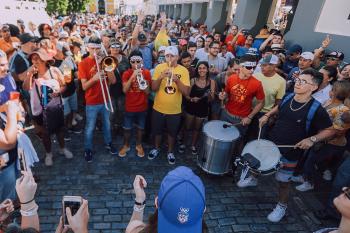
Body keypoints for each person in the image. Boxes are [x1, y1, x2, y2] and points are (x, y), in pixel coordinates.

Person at [255, 68, 335, 222]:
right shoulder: (288, 97)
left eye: (303, 82)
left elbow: (330, 131)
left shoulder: (316, 109)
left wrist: (311, 140)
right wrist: (267, 115)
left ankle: (281, 206)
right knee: (259, 163)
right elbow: (279, 107)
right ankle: (252, 177)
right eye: (298, 79)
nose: (298, 83)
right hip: (272, 142)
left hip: (291, 152)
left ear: (313, 87)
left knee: (283, 182)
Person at [296, 81, 350, 192]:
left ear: (335, 93)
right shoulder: (328, 102)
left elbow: (339, 132)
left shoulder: (343, 110)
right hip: (320, 139)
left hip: (331, 144)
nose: (329, 91)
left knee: (311, 161)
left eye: (332, 89)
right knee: (311, 160)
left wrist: (321, 140)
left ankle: (309, 183)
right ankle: (305, 177)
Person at [22, 48, 73, 166]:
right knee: (45, 133)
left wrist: (58, 92)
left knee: (60, 129)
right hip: (38, 109)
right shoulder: (32, 74)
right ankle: (49, 153)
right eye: (33, 59)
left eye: (37, 58)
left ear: (44, 60)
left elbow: (64, 85)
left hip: (54, 106)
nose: (34, 61)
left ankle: (62, 148)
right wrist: (29, 74)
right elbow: (25, 88)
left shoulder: (54, 71)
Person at [126, 166, 207, 233]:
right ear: (203, 210)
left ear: (157, 203)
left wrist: (140, 200)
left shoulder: (133, 229)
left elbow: (134, 224)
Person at [78, 36, 118, 162]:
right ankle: (88, 148)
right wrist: (94, 78)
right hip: (91, 102)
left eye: (97, 48)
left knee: (107, 125)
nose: (95, 51)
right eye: (92, 48)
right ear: (87, 48)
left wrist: (106, 66)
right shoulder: (83, 64)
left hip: (105, 99)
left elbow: (113, 81)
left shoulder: (105, 60)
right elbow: (84, 87)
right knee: (90, 127)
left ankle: (109, 143)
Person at [148, 46, 190, 164]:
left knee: (172, 132)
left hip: (174, 110)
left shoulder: (183, 70)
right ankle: (156, 148)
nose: (169, 58)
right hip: (158, 107)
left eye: (172, 56)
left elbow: (186, 92)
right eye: (167, 56)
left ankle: (170, 151)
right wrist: (161, 77)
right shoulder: (159, 67)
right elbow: (154, 88)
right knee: (157, 131)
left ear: (177, 57)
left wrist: (177, 80)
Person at [218, 55, 265, 139]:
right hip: (226, 114)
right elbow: (226, 94)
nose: (252, 70)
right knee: (222, 137)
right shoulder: (231, 78)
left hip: (242, 119)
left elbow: (261, 102)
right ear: (241, 67)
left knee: (237, 141)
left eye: (254, 67)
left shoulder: (257, 84)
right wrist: (223, 96)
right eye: (249, 67)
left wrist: (250, 117)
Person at [245, 54, 286, 142]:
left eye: (265, 65)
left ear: (273, 66)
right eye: (261, 65)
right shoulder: (255, 76)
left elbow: (278, 103)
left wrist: (271, 116)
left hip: (263, 115)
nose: (261, 67)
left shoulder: (281, 81)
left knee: (258, 140)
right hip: (249, 110)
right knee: (245, 135)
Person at [119, 50, 151, 158]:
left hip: (142, 106)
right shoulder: (126, 73)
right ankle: (126, 145)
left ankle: (139, 145)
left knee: (140, 129)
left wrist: (142, 80)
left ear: (142, 62)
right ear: (130, 62)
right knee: (127, 129)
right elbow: (124, 90)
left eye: (138, 61)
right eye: (133, 61)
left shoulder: (146, 73)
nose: (136, 64)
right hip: (130, 107)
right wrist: (133, 76)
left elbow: (147, 92)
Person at [180, 61, 215, 155]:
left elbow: (211, 100)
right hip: (191, 107)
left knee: (197, 128)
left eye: (204, 68)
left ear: (207, 70)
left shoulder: (212, 82)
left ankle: (193, 145)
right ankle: (183, 143)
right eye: (200, 68)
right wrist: (191, 99)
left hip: (203, 109)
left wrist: (210, 95)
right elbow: (186, 95)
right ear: (197, 70)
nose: (202, 70)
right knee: (187, 127)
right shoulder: (193, 80)